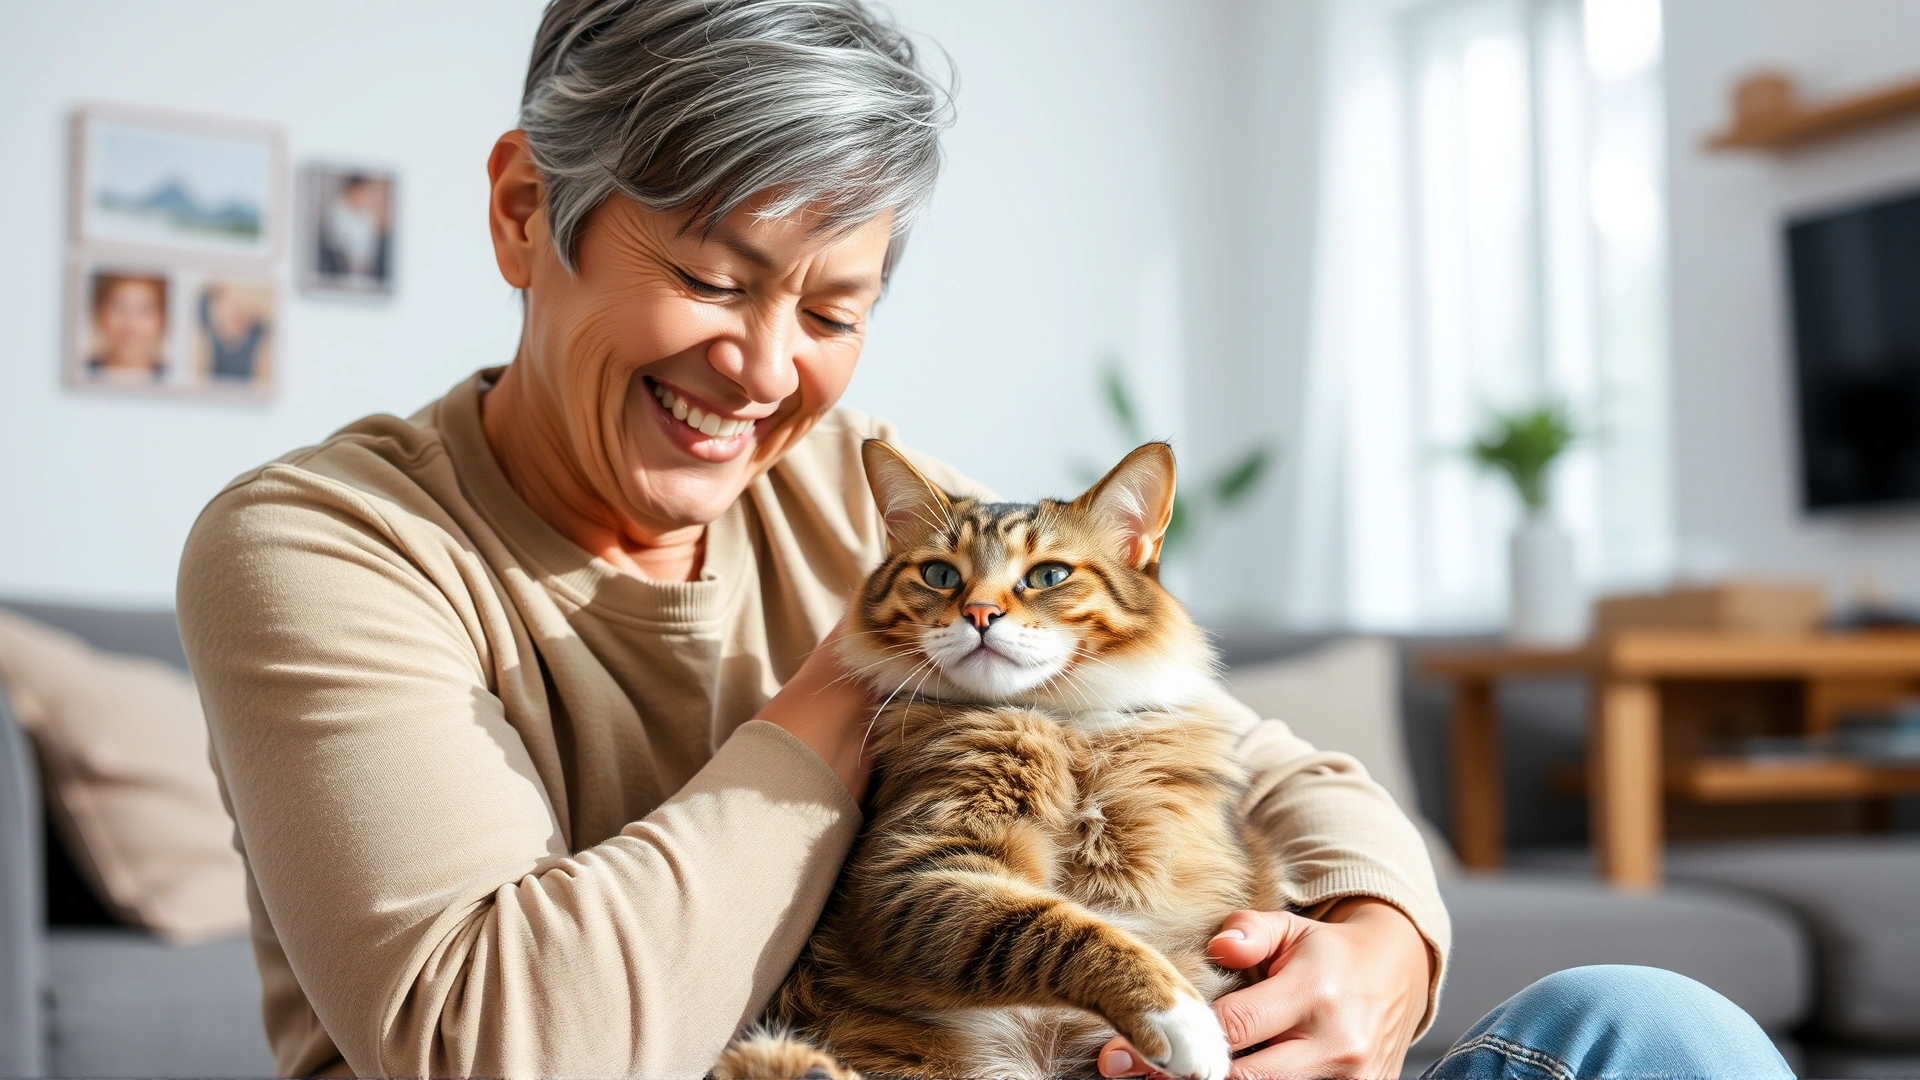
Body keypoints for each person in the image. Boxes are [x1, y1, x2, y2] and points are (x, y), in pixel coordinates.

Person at [176, 2, 1793, 1078]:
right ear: (527, 210)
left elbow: (1261, 761)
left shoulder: (874, 501)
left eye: (831, 308)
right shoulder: (322, 546)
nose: (760, 371)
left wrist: (1382, 948)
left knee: (1649, 1028)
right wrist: (846, 689)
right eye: (716, 279)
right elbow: (495, 1038)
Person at [86, 272, 167, 379]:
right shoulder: (81, 372)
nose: (131, 325)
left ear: (162, 319)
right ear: (100, 314)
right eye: (119, 308)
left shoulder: (175, 377)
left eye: (144, 310)